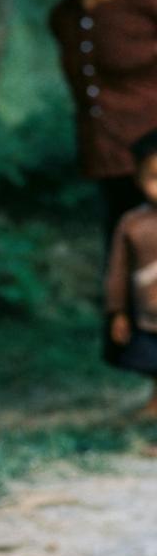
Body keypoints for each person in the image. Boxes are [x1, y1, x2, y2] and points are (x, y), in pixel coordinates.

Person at [46, 0, 157, 247]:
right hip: (106, 155)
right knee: (125, 247)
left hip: (154, 157)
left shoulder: (147, 4)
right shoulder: (64, 15)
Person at [104, 127, 157, 417]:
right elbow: (117, 272)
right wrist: (118, 311)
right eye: (155, 177)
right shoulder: (132, 224)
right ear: (138, 178)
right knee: (151, 360)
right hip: (148, 315)